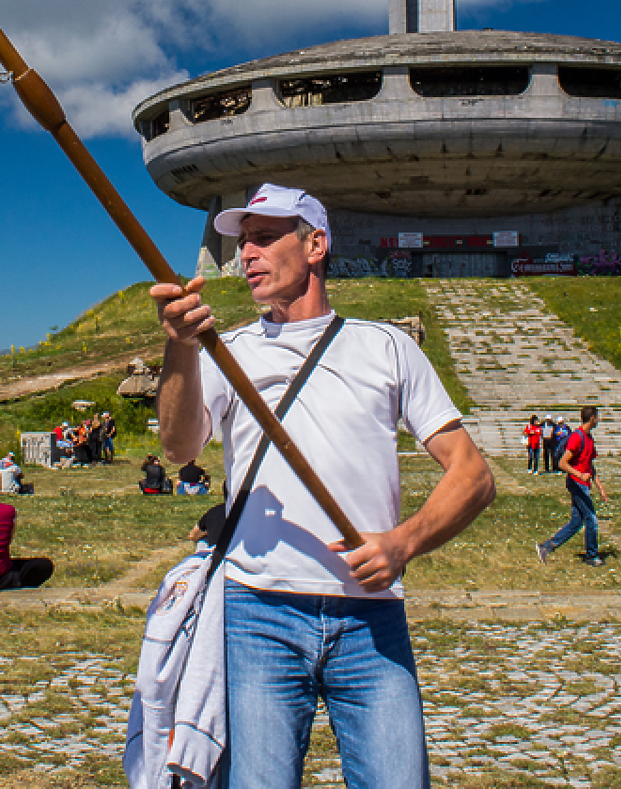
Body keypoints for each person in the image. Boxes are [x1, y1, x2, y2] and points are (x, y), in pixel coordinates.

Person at [153, 183, 494, 788]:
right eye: (242, 242)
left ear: (315, 244)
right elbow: (179, 446)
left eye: (264, 238)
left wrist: (402, 544)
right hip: (258, 613)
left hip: (371, 622)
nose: (246, 255)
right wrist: (180, 348)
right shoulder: (226, 351)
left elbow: (473, 474)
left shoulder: (386, 347)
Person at [539, 406, 608, 566]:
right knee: (591, 519)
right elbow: (563, 463)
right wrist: (579, 475)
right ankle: (591, 556)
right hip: (577, 484)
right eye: (597, 418)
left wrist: (601, 489)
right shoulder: (577, 437)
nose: (598, 421)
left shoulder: (589, 438)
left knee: (576, 522)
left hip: (584, 484)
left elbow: (590, 465)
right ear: (592, 419)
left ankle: (546, 547)